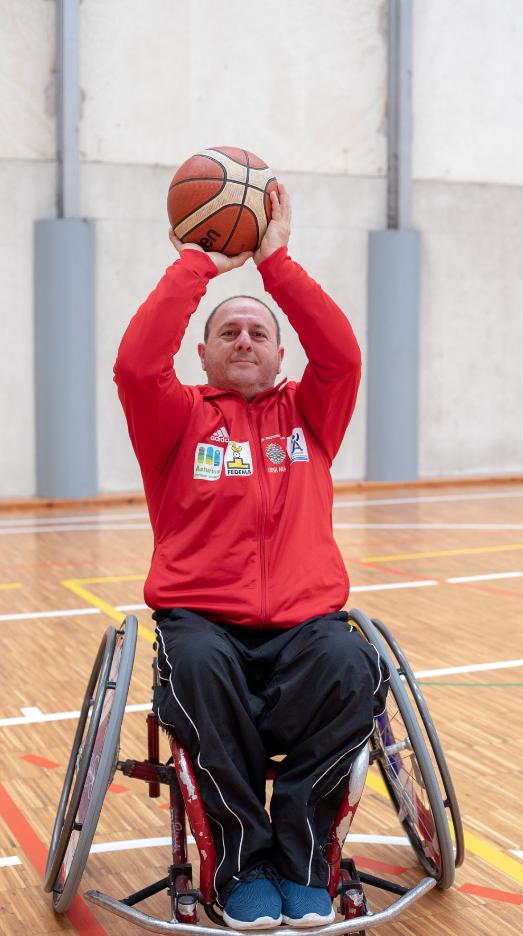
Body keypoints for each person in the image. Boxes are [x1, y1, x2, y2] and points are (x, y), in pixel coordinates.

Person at [114, 184, 388, 930]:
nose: (243, 339)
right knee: (197, 670)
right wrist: (194, 268)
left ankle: (302, 860)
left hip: (306, 628)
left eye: (257, 332)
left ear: (279, 353)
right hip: (204, 624)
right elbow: (138, 367)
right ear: (202, 353)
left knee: (353, 665)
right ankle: (240, 863)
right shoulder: (176, 419)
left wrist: (277, 266)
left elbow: (342, 353)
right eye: (227, 331)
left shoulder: (310, 414)